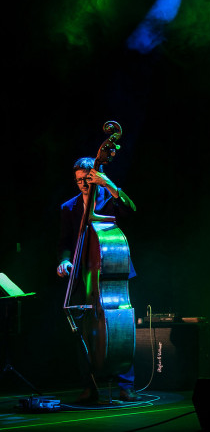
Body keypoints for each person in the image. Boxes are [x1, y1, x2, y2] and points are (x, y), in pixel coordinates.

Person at [56, 157, 139, 403]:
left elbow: (130, 209)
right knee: (84, 332)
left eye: (87, 178)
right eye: (79, 180)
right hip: (86, 276)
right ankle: (89, 385)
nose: (83, 184)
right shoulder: (68, 207)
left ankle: (126, 384)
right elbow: (64, 242)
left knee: (120, 329)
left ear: (95, 176)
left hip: (112, 274)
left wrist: (107, 183)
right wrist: (64, 260)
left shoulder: (108, 200)